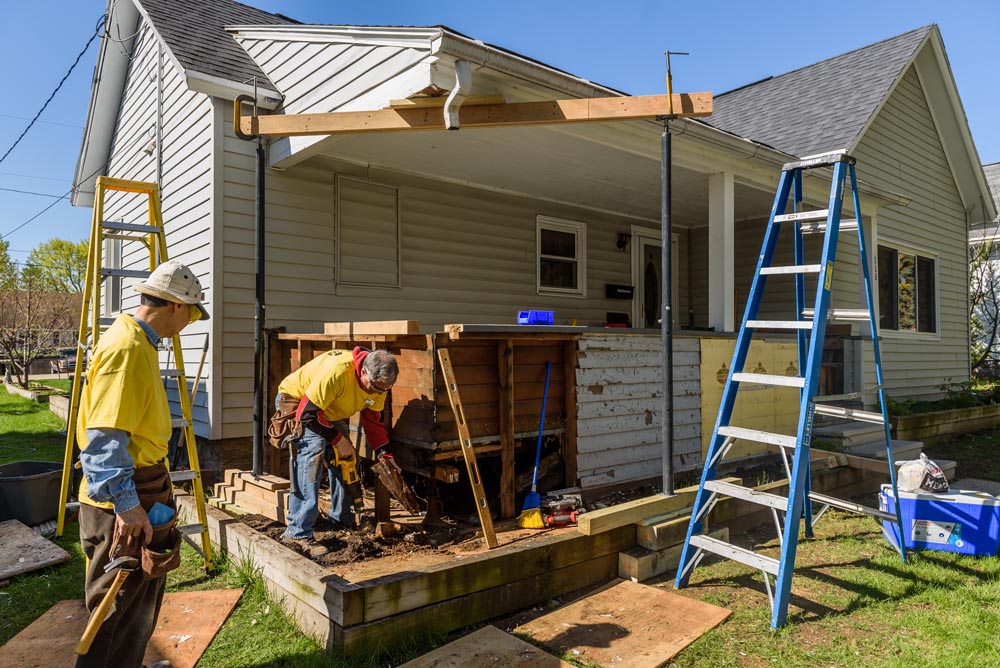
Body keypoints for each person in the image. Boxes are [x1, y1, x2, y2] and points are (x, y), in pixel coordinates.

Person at [76, 259, 209, 668]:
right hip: (126, 497)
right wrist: (128, 506)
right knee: (115, 611)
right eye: (192, 311)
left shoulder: (138, 341)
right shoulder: (128, 349)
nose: (190, 321)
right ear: (173, 305)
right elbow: (104, 439)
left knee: (136, 606)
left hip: (141, 488)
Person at [275, 347, 399, 556]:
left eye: (383, 390)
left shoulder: (379, 386)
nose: (377, 393)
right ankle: (297, 533)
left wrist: (384, 453)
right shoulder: (338, 372)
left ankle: (340, 520)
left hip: (327, 409)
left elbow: (372, 422)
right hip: (298, 402)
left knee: (347, 459)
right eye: (376, 388)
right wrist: (338, 439)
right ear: (364, 372)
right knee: (312, 453)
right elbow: (307, 415)